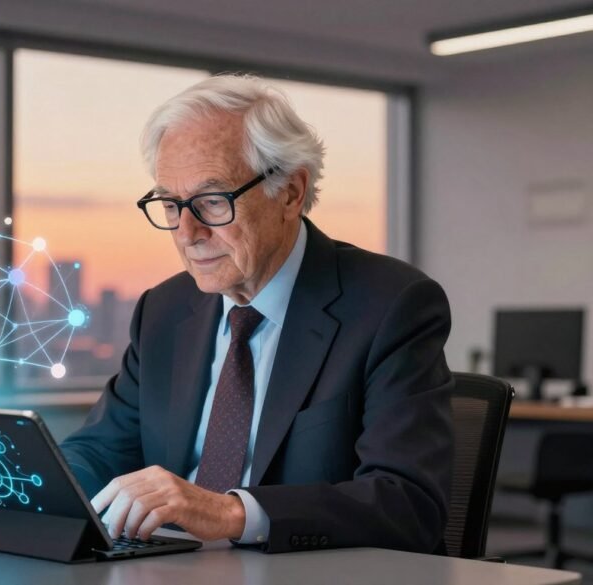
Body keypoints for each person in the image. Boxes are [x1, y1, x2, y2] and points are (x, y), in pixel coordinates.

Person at [59, 74, 453, 554]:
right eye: (170, 204)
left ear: (288, 192)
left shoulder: (391, 305)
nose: (186, 232)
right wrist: (30, 486)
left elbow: (407, 504)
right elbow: (99, 450)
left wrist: (229, 513)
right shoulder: (163, 310)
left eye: (211, 201)